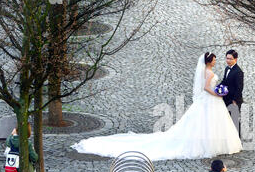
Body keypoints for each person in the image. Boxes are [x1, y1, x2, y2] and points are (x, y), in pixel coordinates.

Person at [72, 52, 242, 160]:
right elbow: (206, 87)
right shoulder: (209, 72)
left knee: (208, 122)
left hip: (211, 100)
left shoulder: (209, 71)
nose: (216, 61)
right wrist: (217, 94)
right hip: (210, 99)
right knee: (207, 122)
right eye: (214, 60)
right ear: (209, 62)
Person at [221, 50, 244, 137]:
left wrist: (235, 100)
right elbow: (224, 81)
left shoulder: (238, 72)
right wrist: (217, 89)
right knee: (227, 118)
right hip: (226, 98)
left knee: (234, 119)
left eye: (230, 59)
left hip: (234, 100)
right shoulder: (227, 68)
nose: (228, 60)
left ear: (236, 59)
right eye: (227, 58)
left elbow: (240, 88)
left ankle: (238, 138)